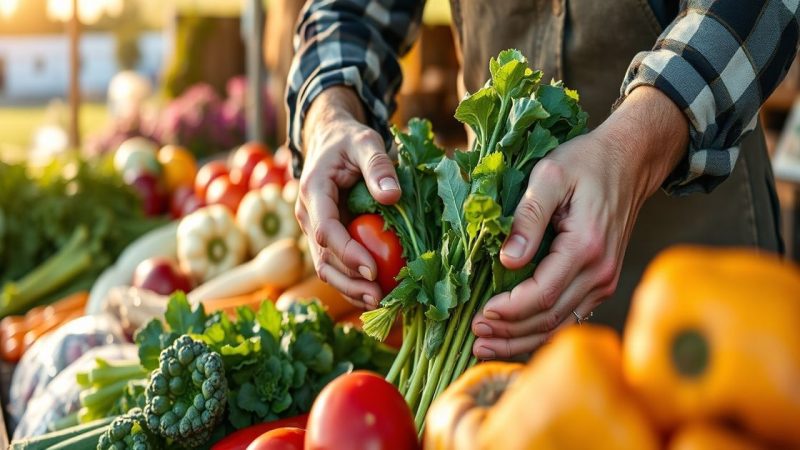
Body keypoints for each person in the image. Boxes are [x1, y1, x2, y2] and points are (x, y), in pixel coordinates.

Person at [285, 0, 799, 360]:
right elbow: (350, 10)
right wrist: (327, 112)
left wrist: (636, 146)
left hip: (702, 274)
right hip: (495, 301)